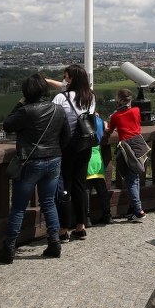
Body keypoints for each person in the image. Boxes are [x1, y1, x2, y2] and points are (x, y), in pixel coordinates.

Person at [0, 73, 72, 263]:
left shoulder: (26, 111)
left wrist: (21, 102)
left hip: (30, 162)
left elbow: (7, 125)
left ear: (27, 92)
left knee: (18, 207)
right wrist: (55, 151)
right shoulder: (58, 110)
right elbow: (66, 137)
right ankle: (54, 242)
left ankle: (9, 248)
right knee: (48, 202)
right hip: (54, 159)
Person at [51, 64, 96, 240]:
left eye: (65, 77)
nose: (64, 80)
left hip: (67, 146)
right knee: (80, 185)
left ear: (71, 79)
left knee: (65, 187)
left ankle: (63, 229)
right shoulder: (90, 97)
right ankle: (81, 226)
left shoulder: (61, 99)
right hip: (85, 145)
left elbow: (52, 120)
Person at [105, 88, 148, 221]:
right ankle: (134, 209)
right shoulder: (136, 110)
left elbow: (109, 131)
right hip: (140, 146)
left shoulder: (116, 116)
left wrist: (106, 123)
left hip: (127, 148)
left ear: (119, 99)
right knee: (135, 178)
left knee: (131, 180)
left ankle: (139, 211)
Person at [85, 113, 112, 226]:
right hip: (97, 159)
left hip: (86, 159)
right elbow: (106, 129)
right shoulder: (100, 121)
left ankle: (87, 218)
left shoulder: (83, 120)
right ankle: (108, 215)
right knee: (102, 190)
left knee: (86, 191)